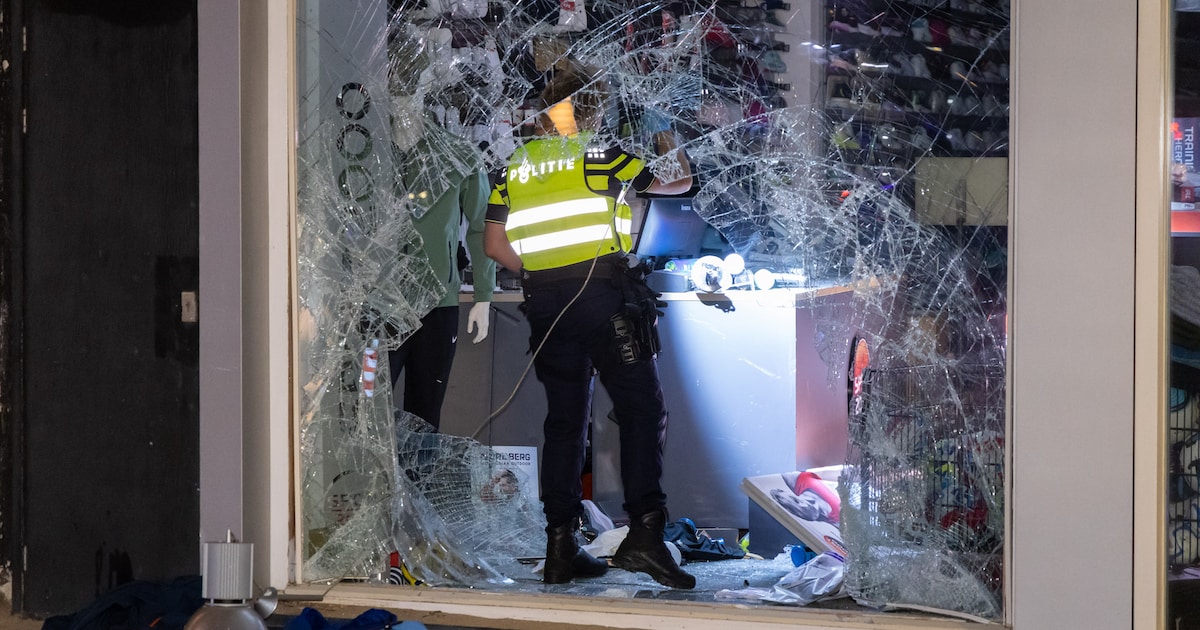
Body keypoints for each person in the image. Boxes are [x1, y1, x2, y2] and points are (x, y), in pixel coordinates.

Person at [482, 64, 695, 588]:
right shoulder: (599, 156)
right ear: (589, 111)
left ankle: (561, 543)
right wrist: (670, 134)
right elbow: (677, 183)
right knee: (643, 411)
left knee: (565, 422)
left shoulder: (514, 166)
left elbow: (492, 246)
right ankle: (645, 535)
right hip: (604, 297)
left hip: (546, 306)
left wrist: (541, 275)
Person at [388, 104, 496, 432]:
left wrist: (484, 295)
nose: (404, 91)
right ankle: (372, 484)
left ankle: (417, 484)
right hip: (380, 308)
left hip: (437, 304)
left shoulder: (457, 155)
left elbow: (481, 227)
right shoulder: (370, 150)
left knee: (424, 418)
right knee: (367, 414)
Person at [774, 471, 841, 525]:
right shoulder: (835, 517)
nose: (803, 506)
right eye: (794, 510)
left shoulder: (798, 481)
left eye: (796, 501)